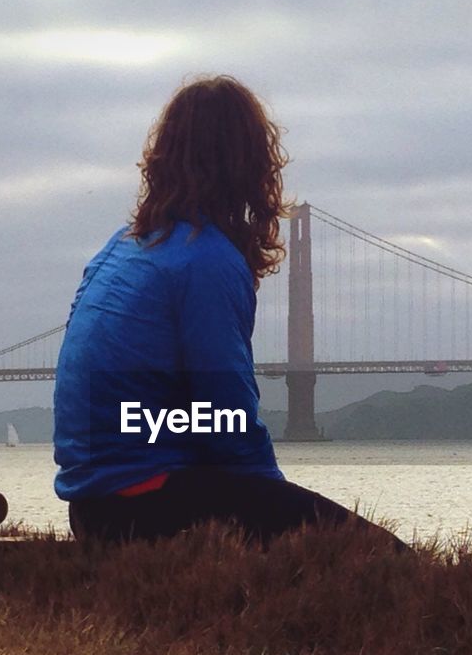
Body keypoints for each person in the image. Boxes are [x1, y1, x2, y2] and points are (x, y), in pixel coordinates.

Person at [53, 75, 400, 549]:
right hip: (150, 505)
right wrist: (272, 498)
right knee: (380, 556)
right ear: (252, 163)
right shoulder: (205, 259)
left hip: (92, 509)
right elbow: (227, 411)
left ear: (164, 156)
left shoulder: (121, 248)